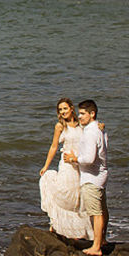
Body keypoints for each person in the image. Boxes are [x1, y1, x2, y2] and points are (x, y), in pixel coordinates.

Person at [38, 97, 92, 240]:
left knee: (78, 197)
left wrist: (100, 126)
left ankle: (78, 231)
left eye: (65, 108)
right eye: (60, 110)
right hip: (67, 165)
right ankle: (56, 224)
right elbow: (54, 146)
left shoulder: (82, 124)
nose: (63, 112)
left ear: (71, 108)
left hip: (79, 164)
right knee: (65, 193)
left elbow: (91, 132)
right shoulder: (60, 126)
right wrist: (46, 166)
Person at [65, 99, 109, 255]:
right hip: (100, 176)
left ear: (92, 114)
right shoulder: (99, 129)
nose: (79, 116)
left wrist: (73, 158)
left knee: (96, 213)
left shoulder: (91, 132)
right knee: (102, 210)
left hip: (91, 177)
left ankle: (96, 247)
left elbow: (89, 159)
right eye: (79, 113)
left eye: (83, 113)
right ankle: (102, 240)